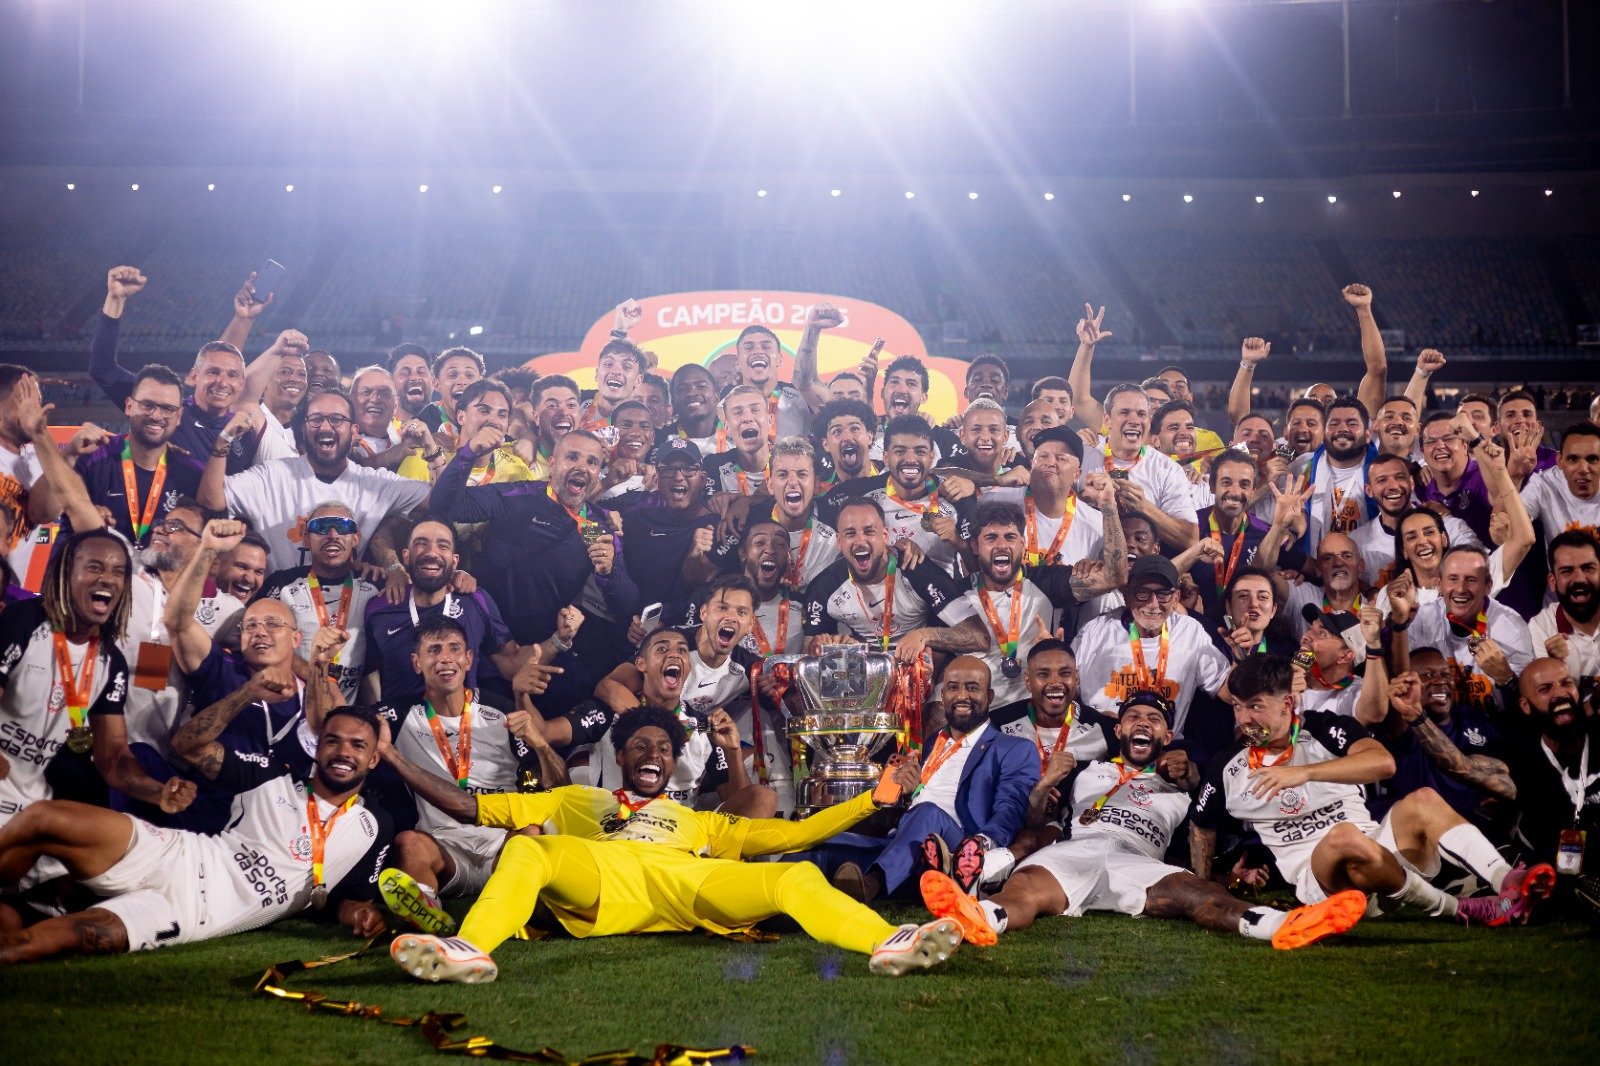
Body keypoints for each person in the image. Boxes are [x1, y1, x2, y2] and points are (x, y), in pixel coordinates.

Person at [382, 705, 963, 982]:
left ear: (674, 760)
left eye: (663, 747)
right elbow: (467, 805)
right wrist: (388, 755)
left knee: (795, 875)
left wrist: (874, 798)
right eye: (639, 746)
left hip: (691, 884)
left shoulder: (700, 818)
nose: (652, 754)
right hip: (606, 880)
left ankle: (889, 942)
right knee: (530, 850)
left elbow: (794, 833)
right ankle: (468, 948)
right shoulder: (577, 800)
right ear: (620, 754)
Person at [922, 692, 1366, 951]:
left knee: (1198, 894)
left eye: (1154, 719)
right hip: (1077, 849)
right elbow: (1039, 821)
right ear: (1118, 730)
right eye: (1133, 716)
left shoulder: (1184, 775)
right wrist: (1045, 784)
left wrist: (1191, 772)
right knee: (1027, 891)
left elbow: (1219, 812)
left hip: (1139, 857)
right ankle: (981, 916)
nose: (1142, 723)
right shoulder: (1084, 770)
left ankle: (1278, 926)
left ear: (1167, 736)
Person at [0, 704, 390, 964]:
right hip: (178, 854)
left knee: (31, 945)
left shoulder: (374, 827)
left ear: (373, 758)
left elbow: (346, 901)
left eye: (358, 745)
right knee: (43, 818)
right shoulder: (272, 776)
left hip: (191, 913)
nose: (343, 752)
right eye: (333, 740)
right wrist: (249, 692)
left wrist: (359, 913)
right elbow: (188, 745)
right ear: (317, 746)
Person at [1190, 654, 1554, 926]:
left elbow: (1382, 763)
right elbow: (1201, 825)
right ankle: (1458, 909)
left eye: (1255, 707)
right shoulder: (1228, 765)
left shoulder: (1326, 728)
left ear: (1287, 703)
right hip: (1323, 885)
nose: (1243, 719)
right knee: (1342, 836)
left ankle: (1507, 880)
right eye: (1238, 707)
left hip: (1384, 855)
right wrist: (1205, 887)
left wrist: (1305, 773)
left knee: (1422, 800)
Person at [372, 617, 562, 930]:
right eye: (433, 650)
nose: (445, 658)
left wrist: (540, 743)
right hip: (443, 846)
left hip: (502, 843)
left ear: (468, 659)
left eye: (454, 649)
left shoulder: (502, 711)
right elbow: (332, 726)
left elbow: (559, 785)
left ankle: (513, 905)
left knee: (530, 836)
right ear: (416, 662)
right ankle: (425, 914)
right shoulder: (396, 715)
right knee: (408, 843)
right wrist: (321, 669)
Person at [430, 429, 638, 679]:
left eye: (592, 462)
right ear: (552, 463)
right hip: (482, 634)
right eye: (572, 457)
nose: (582, 467)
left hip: (541, 650)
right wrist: (469, 453)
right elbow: (446, 505)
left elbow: (627, 605)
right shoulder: (517, 497)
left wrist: (608, 572)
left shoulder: (596, 526)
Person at [830, 656, 1039, 902]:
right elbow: (917, 803)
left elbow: (1011, 808)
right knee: (827, 843)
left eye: (972, 687)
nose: (962, 695)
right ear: (943, 696)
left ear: (990, 697)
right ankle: (783, 902)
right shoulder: (933, 744)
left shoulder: (1014, 748)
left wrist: (981, 844)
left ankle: (870, 884)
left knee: (928, 812)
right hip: (904, 841)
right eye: (953, 687)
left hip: (960, 845)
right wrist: (903, 791)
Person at [0, 530, 137, 889]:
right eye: (94, 566)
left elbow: (112, 757)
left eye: (118, 571)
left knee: (96, 884)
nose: (107, 578)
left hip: (37, 809)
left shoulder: (112, 661)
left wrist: (158, 789)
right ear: (65, 573)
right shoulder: (23, 622)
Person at [87, 265, 305, 476]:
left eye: (232, 376)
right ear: (193, 376)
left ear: (241, 384)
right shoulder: (169, 409)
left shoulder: (245, 432)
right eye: (212, 372)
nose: (222, 382)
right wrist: (115, 300)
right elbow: (103, 369)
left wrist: (245, 319)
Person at [596, 580, 778, 816]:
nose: (731, 617)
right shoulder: (674, 644)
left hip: (692, 741)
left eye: (741, 612)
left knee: (755, 768)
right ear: (704, 612)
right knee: (583, 760)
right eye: (722, 608)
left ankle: (696, 819)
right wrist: (658, 726)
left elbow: (779, 700)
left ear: (751, 623)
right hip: (643, 744)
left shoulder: (749, 669)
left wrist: (777, 685)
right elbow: (607, 686)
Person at [925, 498, 1124, 710]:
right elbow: (934, 668)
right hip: (975, 707)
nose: (1002, 545)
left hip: (1031, 705)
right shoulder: (955, 595)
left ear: (1023, 543)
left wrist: (1109, 505)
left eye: (1010, 537)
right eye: (991, 538)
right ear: (975, 545)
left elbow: (1114, 577)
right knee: (936, 710)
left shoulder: (1048, 582)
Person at [205, 388, 429, 573]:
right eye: (316, 419)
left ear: (353, 431)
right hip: (277, 610)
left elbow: (439, 501)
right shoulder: (271, 476)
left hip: (346, 611)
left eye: (336, 419)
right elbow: (211, 500)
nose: (325, 427)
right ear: (303, 428)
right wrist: (223, 442)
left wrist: (434, 450)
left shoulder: (375, 484)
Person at [361, 516, 551, 709]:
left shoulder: (475, 600)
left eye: (442, 546)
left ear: (454, 560)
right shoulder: (379, 608)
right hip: (399, 731)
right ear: (406, 555)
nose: (431, 552)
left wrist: (560, 639)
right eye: (421, 543)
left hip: (464, 728)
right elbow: (365, 674)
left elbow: (510, 664)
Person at [1073, 555, 1229, 740]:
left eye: (1163, 594)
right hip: (1104, 743)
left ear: (1175, 598)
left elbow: (1227, 689)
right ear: (1127, 595)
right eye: (1143, 593)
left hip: (1163, 749)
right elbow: (1069, 688)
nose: (1153, 604)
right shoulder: (1096, 631)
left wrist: (1243, 657)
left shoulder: (1189, 631)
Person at [802, 498, 974, 653]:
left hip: (921, 671)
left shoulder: (916, 569)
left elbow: (977, 635)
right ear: (839, 541)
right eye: (850, 533)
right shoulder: (823, 588)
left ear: (885, 536)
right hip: (864, 675)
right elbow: (810, 649)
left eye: (869, 531)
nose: (860, 541)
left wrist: (925, 636)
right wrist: (821, 646)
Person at [255, 501, 384, 703]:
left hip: (344, 719)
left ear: (355, 538)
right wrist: (314, 676)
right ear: (306, 539)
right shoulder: (283, 584)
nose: (332, 535)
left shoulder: (374, 583)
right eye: (321, 527)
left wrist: (396, 571)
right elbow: (259, 640)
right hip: (291, 711)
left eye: (343, 527)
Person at [1375, 656, 1513, 830]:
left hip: (1478, 832)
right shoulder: (1400, 728)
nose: (1440, 680)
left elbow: (1502, 775)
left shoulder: (1473, 718)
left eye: (1446, 673)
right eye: (1425, 675)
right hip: (1421, 837)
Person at [1393, 545, 1535, 705]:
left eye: (1471, 579)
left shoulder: (1511, 628)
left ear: (1488, 586)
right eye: (1453, 579)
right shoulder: (1422, 619)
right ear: (1439, 584)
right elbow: (1397, 679)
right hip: (1439, 720)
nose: (1461, 589)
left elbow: (1529, 707)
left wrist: (1507, 677)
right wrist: (1399, 623)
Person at [1509, 659, 1600, 883]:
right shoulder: (1523, 761)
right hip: (1565, 875)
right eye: (1545, 688)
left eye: (1566, 683)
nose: (1560, 693)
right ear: (1525, 705)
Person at [1353, 452, 1481, 588]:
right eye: (1382, 480)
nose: (1393, 486)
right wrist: (1369, 592)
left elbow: (1479, 564)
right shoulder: (1357, 542)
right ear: (1369, 490)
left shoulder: (1449, 527)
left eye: (1400, 477)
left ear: (1412, 482)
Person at [1093, 385, 1197, 551]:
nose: (1134, 420)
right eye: (1124, 412)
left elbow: (1190, 540)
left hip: (1141, 570)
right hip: (1089, 566)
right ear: (1107, 419)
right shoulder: (1082, 457)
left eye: (1141, 414)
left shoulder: (1167, 469)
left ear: (1149, 420)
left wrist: (1145, 508)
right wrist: (1086, 498)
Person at [1296, 396, 1377, 555]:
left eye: (1352, 423)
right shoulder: (1302, 467)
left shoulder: (1383, 472)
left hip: (1369, 570)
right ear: (1324, 433)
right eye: (1334, 424)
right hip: (1316, 570)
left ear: (1368, 435)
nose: (1342, 429)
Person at [1519, 422, 1600, 556]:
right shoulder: (1543, 483)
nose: (1583, 469)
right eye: (1573, 459)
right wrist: (1515, 476)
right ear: (1560, 460)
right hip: (1562, 575)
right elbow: (1508, 532)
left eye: (1592, 459)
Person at [1528, 530, 1600, 678]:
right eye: (1567, 571)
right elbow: (1548, 698)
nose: (1580, 578)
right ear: (1553, 582)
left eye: (1588, 568)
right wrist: (1553, 666)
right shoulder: (1541, 627)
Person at [701, 384, 770, 496]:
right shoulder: (713, 465)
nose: (747, 418)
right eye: (738, 413)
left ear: (769, 421)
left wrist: (748, 502)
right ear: (727, 428)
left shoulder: (788, 462)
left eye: (755, 410)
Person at [523, 374, 582, 481]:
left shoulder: (593, 458)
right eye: (552, 406)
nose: (564, 412)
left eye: (571, 405)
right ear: (536, 417)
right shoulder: (512, 458)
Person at [813, 398, 880, 490]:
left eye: (855, 428)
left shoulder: (892, 479)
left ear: (870, 437)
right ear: (825, 444)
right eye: (837, 431)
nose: (847, 438)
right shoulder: (822, 496)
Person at [419, 347, 485, 439]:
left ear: (481, 384)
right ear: (437, 384)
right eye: (452, 375)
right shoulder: (422, 427)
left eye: (469, 375)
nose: (462, 381)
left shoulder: (493, 419)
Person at [663, 363, 720, 455]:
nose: (691, 393)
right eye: (682, 389)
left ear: (716, 396)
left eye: (701, 386)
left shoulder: (737, 438)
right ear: (673, 401)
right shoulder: (658, 440)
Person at [388, 343, 436, 420]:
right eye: (405, 373)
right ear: (390, 384)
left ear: (433, 383)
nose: (415, 377)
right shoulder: (379, 429)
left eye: (421, 372)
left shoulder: (448, 429)